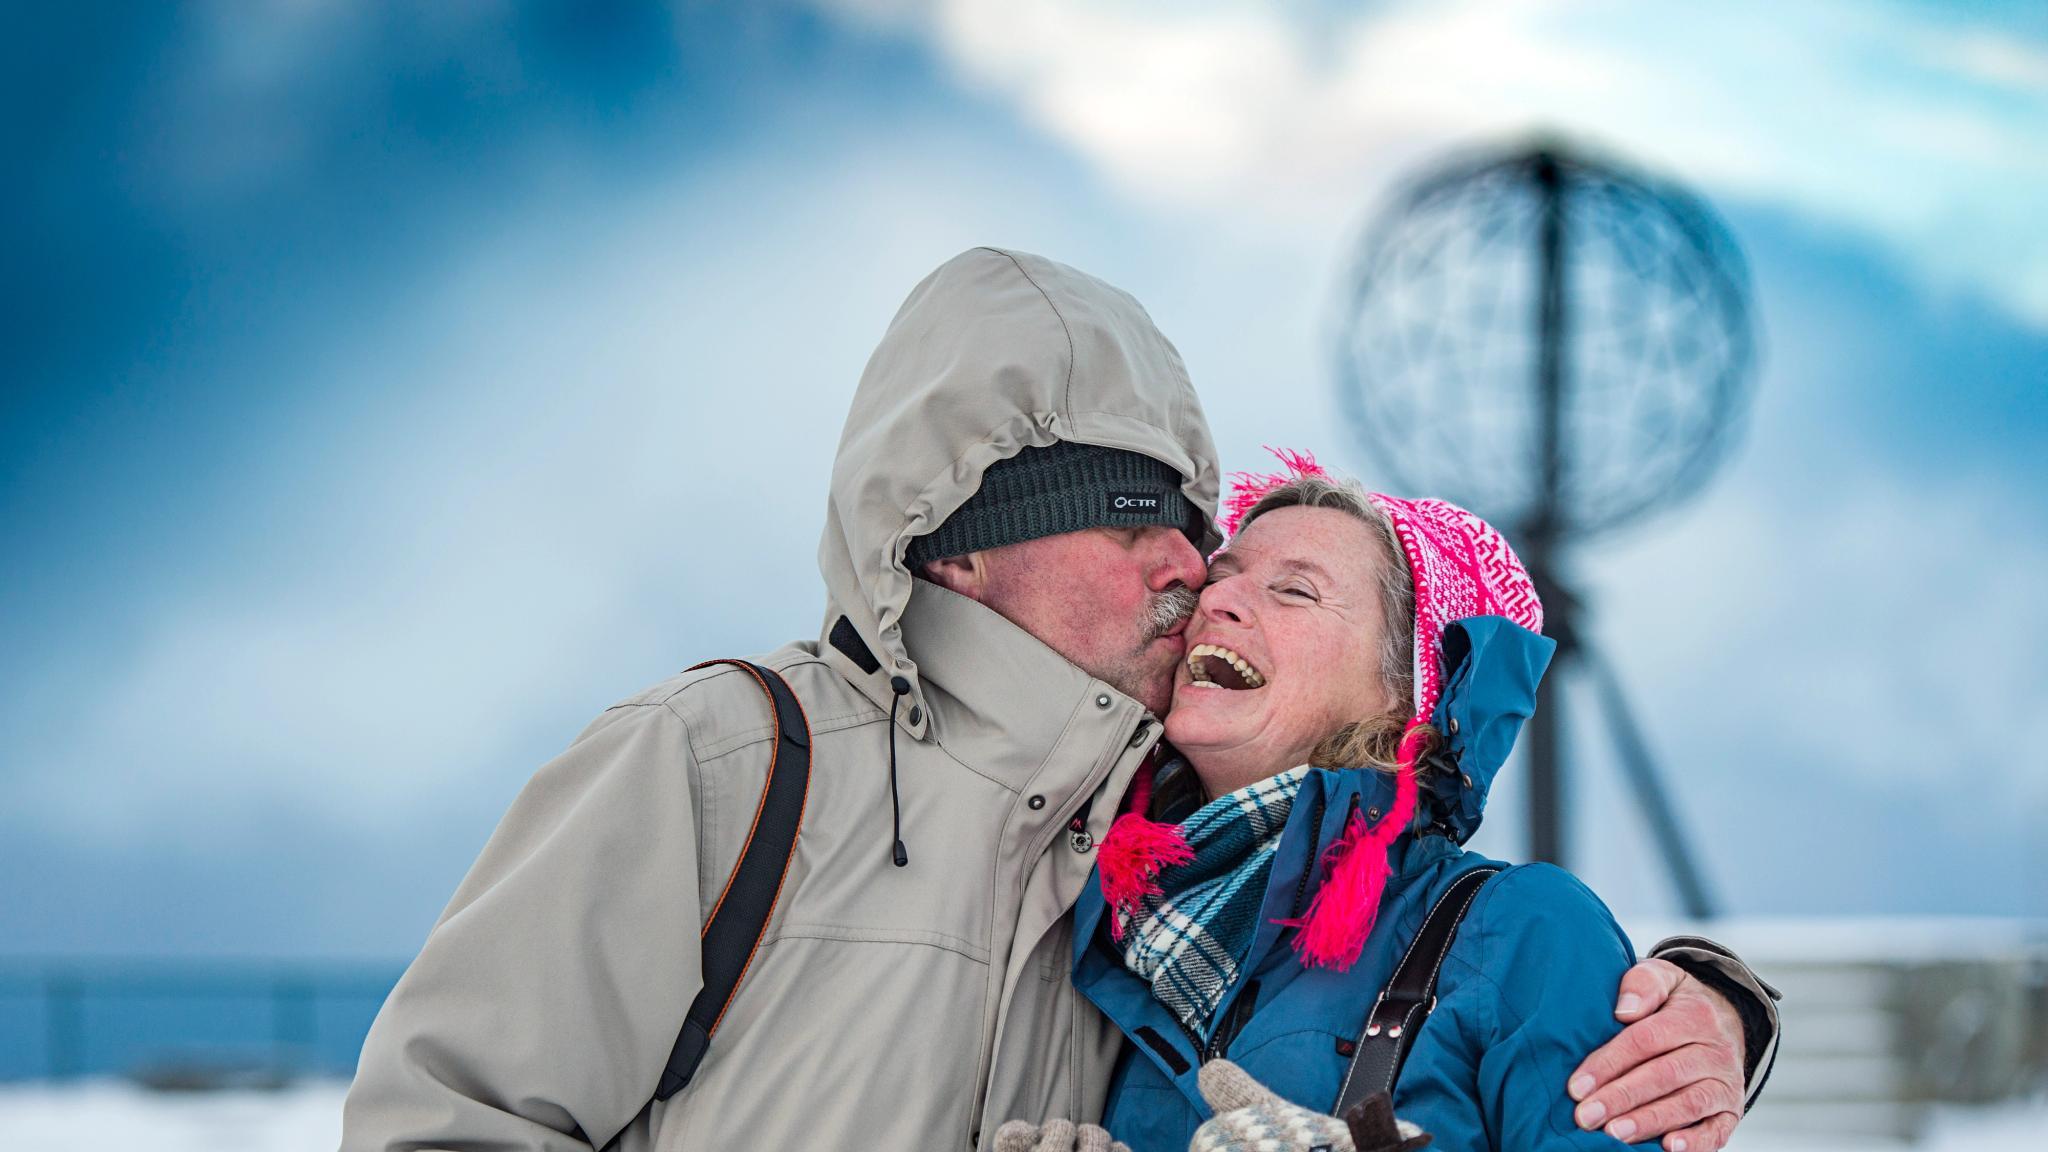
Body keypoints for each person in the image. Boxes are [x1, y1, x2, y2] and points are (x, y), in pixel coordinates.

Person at [340, 249, 1774, 1152]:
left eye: (1204, 527)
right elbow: (446, 1119)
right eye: (1120, 508)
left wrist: (1713, 1013)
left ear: (1409, 695)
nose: (1191, 566)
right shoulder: (726, 765)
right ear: (953, 535)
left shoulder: (1141, 876)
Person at [1008, 456, 1770, 1152]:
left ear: (1406, 695)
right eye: (1223, 574)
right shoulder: (1086, 923)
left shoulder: (1520, 931)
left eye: (1295, 590)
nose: (1218, 599)